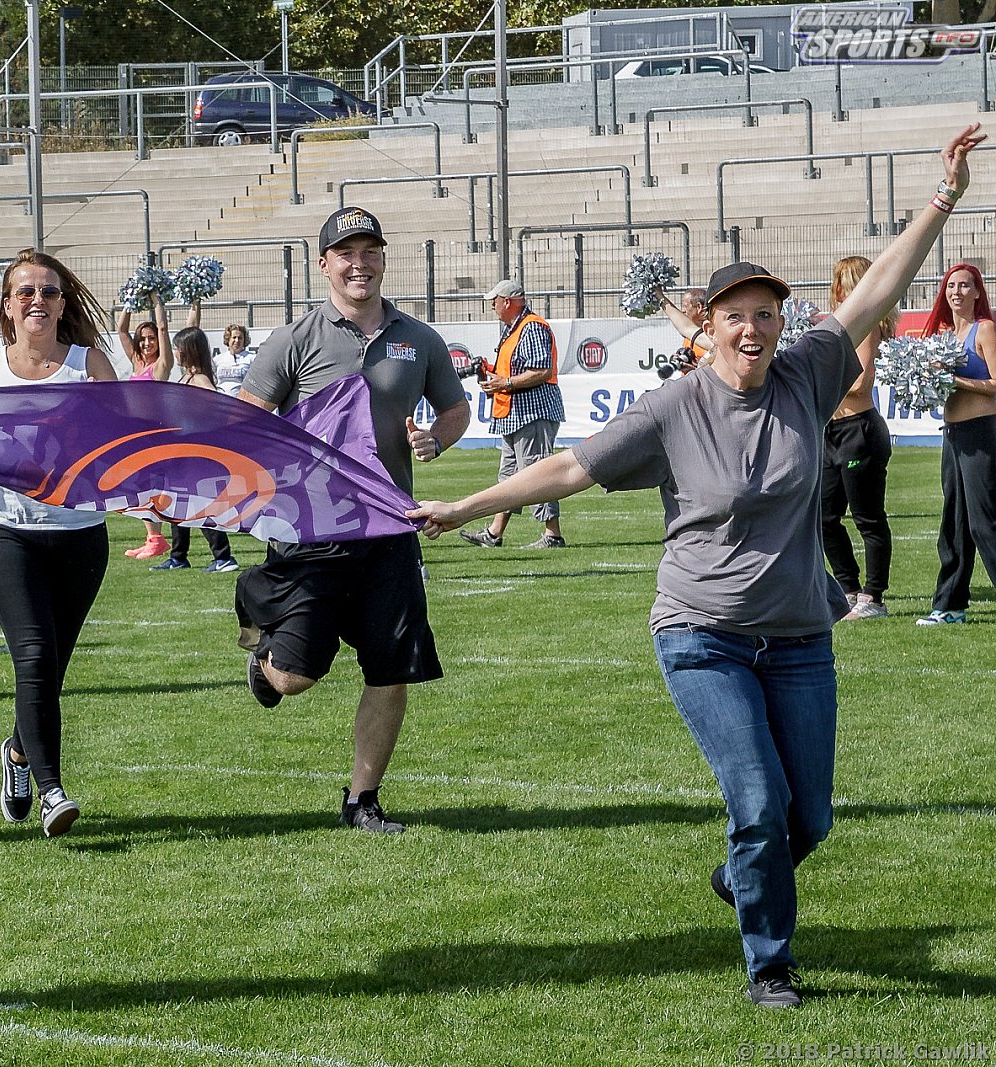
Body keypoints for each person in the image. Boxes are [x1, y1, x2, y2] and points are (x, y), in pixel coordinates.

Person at [409, 124, 984, 1008]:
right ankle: (771, 964)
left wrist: (943, 196)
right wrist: (465, 506)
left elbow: (880, 289)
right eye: (735, 315)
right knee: (757, 800)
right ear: (708, 328)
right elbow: (569, 466)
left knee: (811, 818)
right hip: (702, 637)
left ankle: (743, 876)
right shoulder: (674, 405)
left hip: (798, 637)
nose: (752, 328)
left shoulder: (807, 371)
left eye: (765, 313)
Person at [236, 205, 470, 833]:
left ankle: (361, 799)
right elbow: (249, 416)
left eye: (370, 251)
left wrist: (436, 441)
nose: (359, 263)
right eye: (346, 253)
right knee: (291, 679)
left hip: (392, 527)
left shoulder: (417, 338)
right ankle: (260, 633)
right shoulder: (296, 339)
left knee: (393, 668)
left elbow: (455, 409)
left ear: (383, 259)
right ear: (325, 265)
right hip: (313, 530)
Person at [0, 248, 117, 837]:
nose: (37, 301)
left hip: (80, 537)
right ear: (7, 306)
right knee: (32, 656)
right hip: (7, 533)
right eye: (25, 292)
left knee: (49, 670)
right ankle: (53, 790)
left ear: (61, 304)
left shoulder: (90, 365)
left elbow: (122, 445)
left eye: (48, 292)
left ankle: (19, 752)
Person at [458, 279, 568, 549]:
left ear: (507, 301)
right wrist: (493, 376)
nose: (493, 307)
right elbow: (517, 369)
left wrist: (504, 383)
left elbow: (541, 371)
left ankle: (552, 535)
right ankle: (494, 534)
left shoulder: (530, 328)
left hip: (532, 412)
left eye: (494, 302)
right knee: (509, 477)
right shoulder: (515, 328)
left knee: (537, 474)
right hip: (516, 412)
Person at [915, 261, 996, 625]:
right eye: (951, 286)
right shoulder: (945, 336)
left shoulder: (986, 330)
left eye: (965, 286)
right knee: (955, 523)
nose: (956, 292)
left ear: (978, 292)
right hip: (954, 437)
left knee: (984, 522)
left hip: (983, 434)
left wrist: (955, 380)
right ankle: (949, 605)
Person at [821, 257, 895, 621]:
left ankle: (874, 596)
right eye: (835, 285)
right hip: (831, 432)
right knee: (823, 515)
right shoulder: (836, 329)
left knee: (868, 518)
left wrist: (820, 382)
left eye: (843, 284)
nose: (837, 293)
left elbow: (859, 383)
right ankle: (847, 588)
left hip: (859, 431)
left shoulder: (867, 329)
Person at [150, 326, 240, 574]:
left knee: (202, 505)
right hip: (179, 452)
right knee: (176, 506)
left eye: (179, 348)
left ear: (189, 351)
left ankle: (223, 557)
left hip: (195, 454)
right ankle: (179, 556)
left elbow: (217, 410)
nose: (175, 352)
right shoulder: (185, 378)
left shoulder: (200, 380)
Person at [116, 295, 177, 559]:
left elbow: (163, 328)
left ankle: (157, 538)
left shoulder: (161, 366)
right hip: (135, 432)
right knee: (136, 487)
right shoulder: (136, 362)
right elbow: (120, 328)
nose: (148, 342)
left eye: (151, 338)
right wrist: (130, 299)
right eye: (143, 338)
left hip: (154, 433)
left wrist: (156, 301)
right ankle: (153, 537)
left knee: (150, 486)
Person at [214, 322, 255, 397]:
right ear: (228, 339)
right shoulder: (217, 360)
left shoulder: (252, 358)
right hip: (221, 401)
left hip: (242, 402)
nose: (237, 340)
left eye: (240, 338)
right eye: (234, 337)